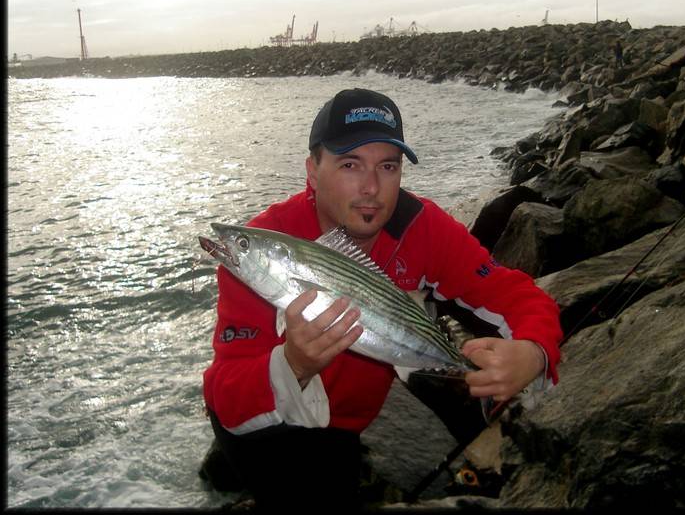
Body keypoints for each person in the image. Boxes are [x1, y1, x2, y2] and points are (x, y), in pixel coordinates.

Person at [201, 88, 563, 509]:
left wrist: (534, 353)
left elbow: (514, 293)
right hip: (268, 432)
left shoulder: (420, 226)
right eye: (350, 164)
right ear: (313, 171)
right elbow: (226, 397)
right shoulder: (262, 252)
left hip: (348, 427)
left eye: (387, 166)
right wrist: (294, 364)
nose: (371, 187)